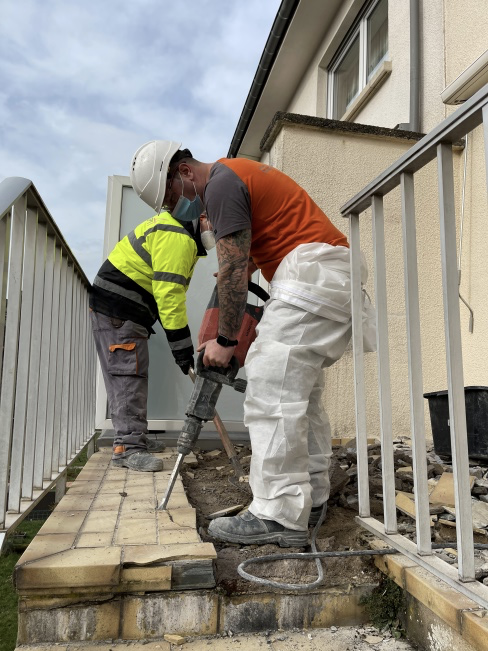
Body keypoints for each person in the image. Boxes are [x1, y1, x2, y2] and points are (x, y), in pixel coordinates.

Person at [130, 140, 374, 540]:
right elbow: (259, 249)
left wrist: (225, 338)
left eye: (172, 197)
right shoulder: (238, 173)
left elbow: (233, 268)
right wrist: (240, 270)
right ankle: (308, 500)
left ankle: (278, 513)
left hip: (312, 276)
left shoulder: (221, 184)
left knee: (269, 386)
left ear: (185, 171)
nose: (177, 209)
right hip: (329, 276)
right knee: (300, 394)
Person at [90, 141, 213, 472]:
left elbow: (167, 294)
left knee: (131, 373)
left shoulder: (176, 233)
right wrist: (183, 350)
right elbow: (169, 297)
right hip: (118, 312)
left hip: (121, 311)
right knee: (127, 375)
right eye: (209, 219)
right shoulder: (177, 238)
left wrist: (181, 349)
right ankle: (127, 448)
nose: (211, 226)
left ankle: (135, 437)